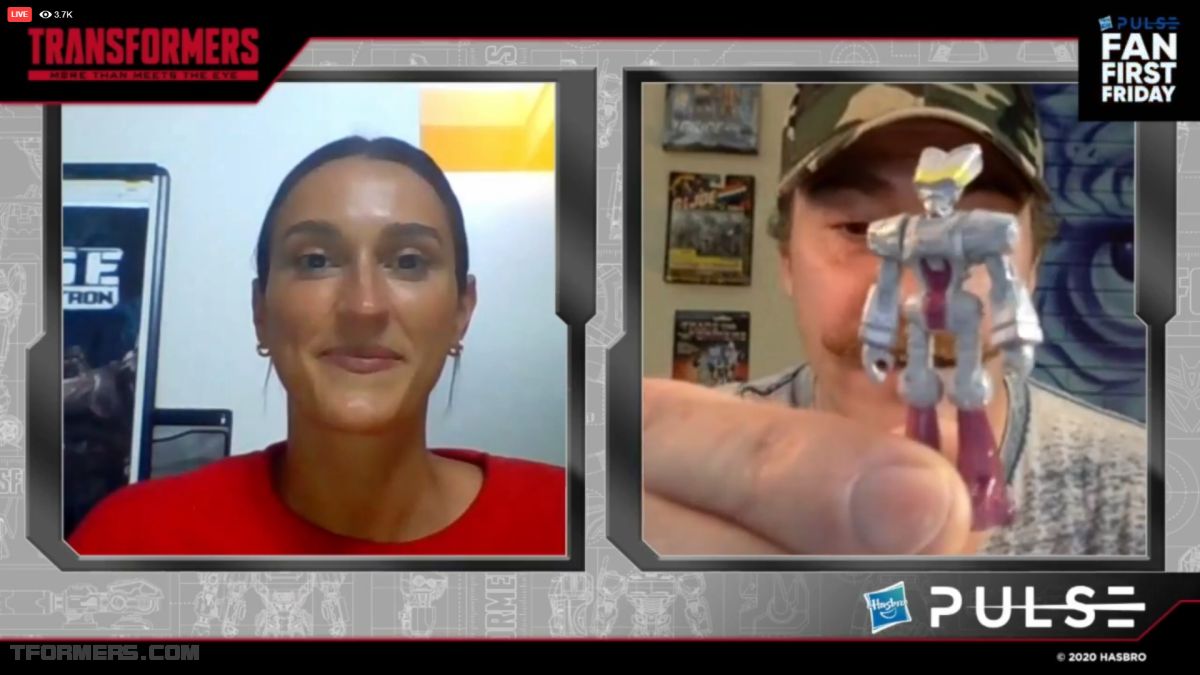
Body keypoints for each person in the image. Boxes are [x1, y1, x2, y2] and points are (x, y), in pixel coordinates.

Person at [644, 84, 1147, 557]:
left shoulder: (1145, 497)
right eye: (856, 227)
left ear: (1033, 266)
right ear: (787, 261)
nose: (914, 297)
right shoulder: (675, 474)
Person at [70, 136, 566, 555]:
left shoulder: (573, 526)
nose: (364, 306)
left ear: (461, 311)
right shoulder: (131, 542)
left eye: (410, 262)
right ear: (261, 312)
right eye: (315, 261)